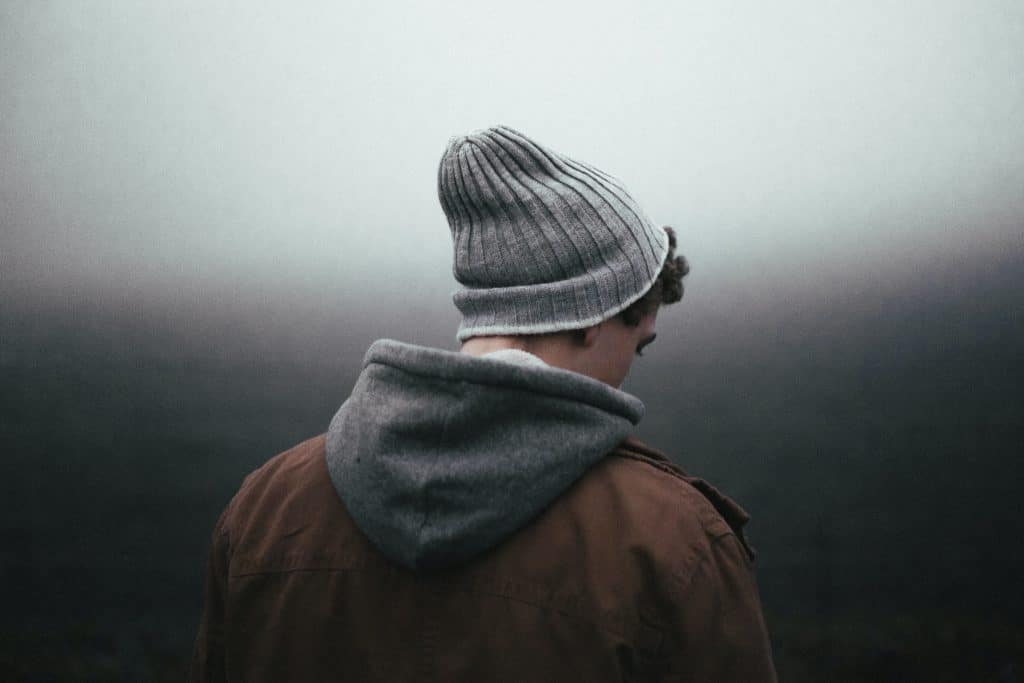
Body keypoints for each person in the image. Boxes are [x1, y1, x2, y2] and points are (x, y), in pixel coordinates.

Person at [190, 125, 777, 681]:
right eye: (639, 347)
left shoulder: (262, 512)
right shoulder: (674, 544)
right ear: (593, 316)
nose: (628, 375)